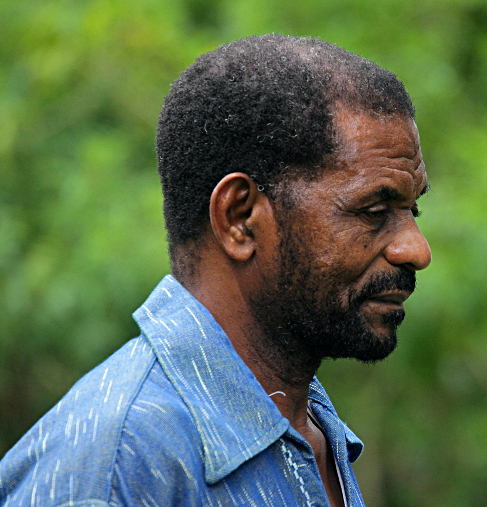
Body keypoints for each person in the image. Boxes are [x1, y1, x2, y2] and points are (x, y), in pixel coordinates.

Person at [0, 34, 431, 507]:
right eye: (375, 209)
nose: (416, 249)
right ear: (240, 218)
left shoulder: (311, 431)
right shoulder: (117, 466)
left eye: (414, 211)